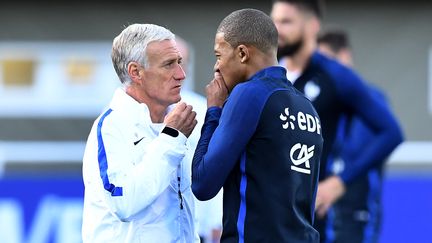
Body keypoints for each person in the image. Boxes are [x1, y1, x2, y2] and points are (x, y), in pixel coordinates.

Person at [271, 1, 404, 242]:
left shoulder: (336, 76)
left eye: (286, 22)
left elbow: (391, 132)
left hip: (314, 218)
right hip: (267, 212)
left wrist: (340, 182)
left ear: (312, 26)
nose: (276, 29)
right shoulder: (266, 73)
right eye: (275, 21)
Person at [192, 8, 324, 242]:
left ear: (242, 53)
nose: (216, 67)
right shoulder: (307, 106)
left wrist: (213, 110)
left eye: (218, 56)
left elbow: (203, 184)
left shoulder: (249, 94)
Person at [81, 23, 200, 242]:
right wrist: (171, 138)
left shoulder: (182, 118)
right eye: (168, 65)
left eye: (180, 63)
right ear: (136, 72)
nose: (181, 74)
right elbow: (124, 203)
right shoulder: (111, 126)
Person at [318, 30, 395, 243]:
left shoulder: (370, 99)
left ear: (345, 56)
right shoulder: (323, 102)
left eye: (329, 61)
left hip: (357, 214)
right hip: (324, 212)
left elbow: (358, 149)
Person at [176, 36, 224, 243]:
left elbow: (216, 165)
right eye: (170, 62)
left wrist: (217, 221)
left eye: (181, 62)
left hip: (197, 223)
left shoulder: (203, 110)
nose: (177, 71)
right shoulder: (135, 113)